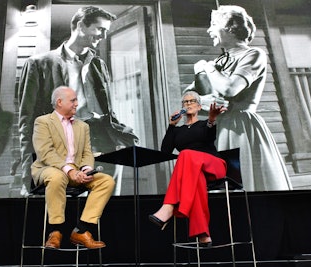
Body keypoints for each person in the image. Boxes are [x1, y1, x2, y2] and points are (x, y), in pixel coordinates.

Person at [17, 6, 138, 193]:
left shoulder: (99, 64)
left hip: (102, 142)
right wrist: (29, 169)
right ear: (81, 25)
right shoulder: (39, 64)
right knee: (64, 205)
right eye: (100, 29)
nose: (103, 36)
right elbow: (28, 122)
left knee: (103, 204)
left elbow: (107, 110)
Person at [185, 5, 292, 191]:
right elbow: (187, 99)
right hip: (217, 130)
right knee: (220, 192)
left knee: (244, 187)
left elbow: (229, 88)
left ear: (230, 27)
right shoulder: (219, 62)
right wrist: (202, 101)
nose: (209, 30)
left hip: (240, 128)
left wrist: (205, 67)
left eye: (213, 24)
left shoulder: (253, 54)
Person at [31, 86, 115, 249]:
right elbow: (45, 153)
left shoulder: (83, 126)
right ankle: (55, 231)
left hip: (76, 171)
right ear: (60, 102)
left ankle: (81, 230)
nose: (77, 103)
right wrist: (70, 170)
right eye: (73, 100)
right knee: (56, 177)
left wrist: (85, 170)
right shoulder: (43, 122)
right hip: (50, 168)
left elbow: (87, 153)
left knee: (106, 181)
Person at [149, 91, 227, 245]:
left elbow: (209, 136)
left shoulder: (205, 124)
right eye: (185, 102)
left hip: (213, 165)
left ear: (199, 106)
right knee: (196, 181)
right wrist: (172, 126)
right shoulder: (178, 131)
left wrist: (211, 119)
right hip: (194, 172)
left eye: (192, 101)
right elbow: (165, 151)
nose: (189, 104)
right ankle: (203, 233)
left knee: (184, 154)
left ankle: (169, 207)